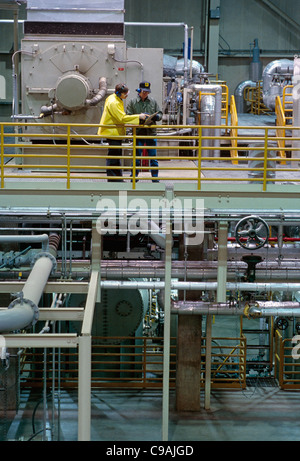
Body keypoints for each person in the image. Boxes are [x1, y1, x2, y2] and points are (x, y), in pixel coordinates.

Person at [98, 83, 147, 182]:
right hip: (112, 132)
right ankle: (113, 179)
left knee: (116, 155)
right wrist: (139, 117)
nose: (126, 96)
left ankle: (117, 177)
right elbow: (122, 118)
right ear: (119, 93)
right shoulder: (114, 102)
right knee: (114, 156)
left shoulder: (114, 98)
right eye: (125, 94)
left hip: (114, 132)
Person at [126, 81, 163, 182]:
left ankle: (155, 179)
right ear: (139, 91)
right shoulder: (132, 102)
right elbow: (128, 116)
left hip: (151, 132)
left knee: (153, 158)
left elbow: (160, 114)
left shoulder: (153, 101)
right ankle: (134, 178)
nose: (146, 94)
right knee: (136, 157)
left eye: (147, 92)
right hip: (138, 133)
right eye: (144, 92)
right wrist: (139, 118)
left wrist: (156, 117)